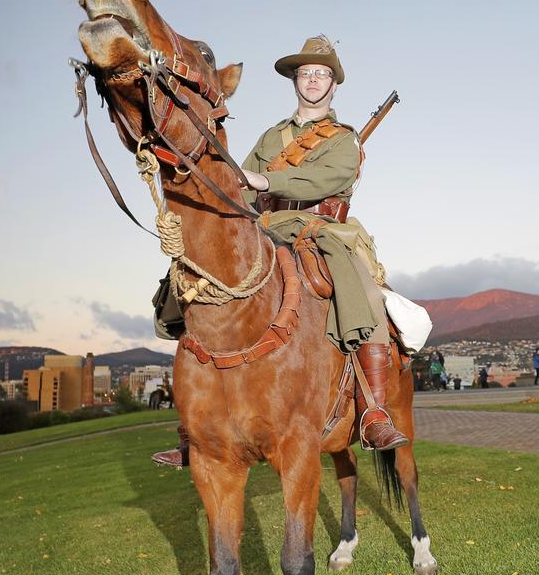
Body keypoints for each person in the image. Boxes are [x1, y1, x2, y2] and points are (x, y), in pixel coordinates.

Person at [152, 35, 408, 466]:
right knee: (188, 283)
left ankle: (373, 411)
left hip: (317, 229)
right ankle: (194, 431)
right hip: (264, 227)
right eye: (306, 73)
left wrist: (267, 183)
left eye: (321, 74)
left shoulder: (344, 140)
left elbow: (326, 180)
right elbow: (236, 179)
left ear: (333, 84)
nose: (312, 80)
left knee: (362, 290)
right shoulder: (272, 136)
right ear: (295, 80)